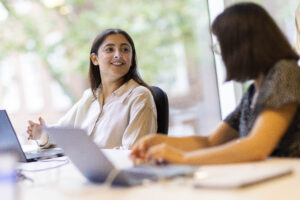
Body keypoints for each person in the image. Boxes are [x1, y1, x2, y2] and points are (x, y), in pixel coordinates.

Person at [130, 2, 300, 165]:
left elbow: (256, 147)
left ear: (241, 46)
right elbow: (210, 142)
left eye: (221, 47)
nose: (221, 55)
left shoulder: (286, 72)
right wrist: (156, 141)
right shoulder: (253, 92)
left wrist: (183, 158)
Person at [27, 28, 157, 149]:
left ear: (132, 59)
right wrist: (42, 133)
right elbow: (63, 131)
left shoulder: (140, 96)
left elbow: (134, 152)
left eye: (125, 50)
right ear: (95, 59)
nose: (118, 55)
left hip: (115, 172)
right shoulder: (90, 96)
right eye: (110, 49)